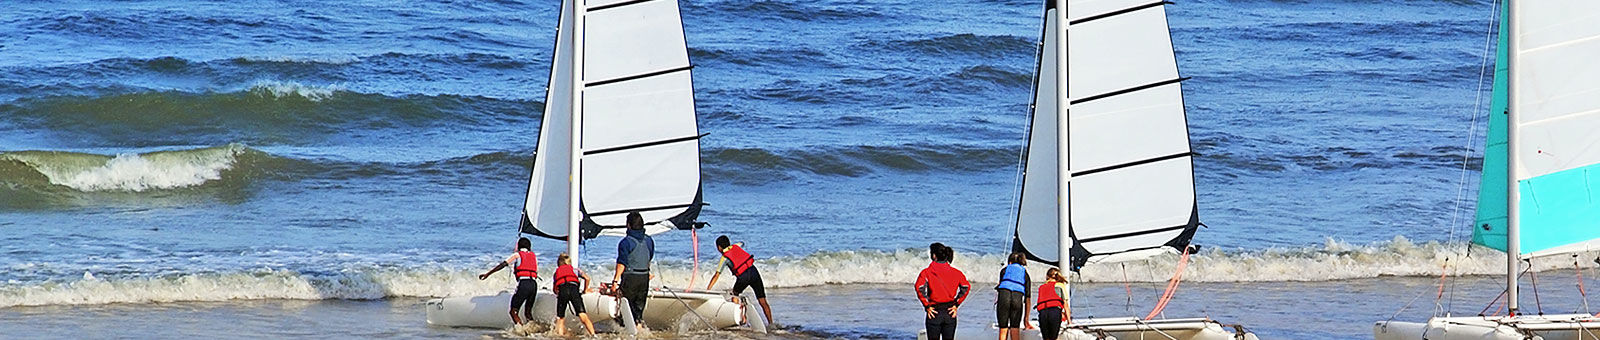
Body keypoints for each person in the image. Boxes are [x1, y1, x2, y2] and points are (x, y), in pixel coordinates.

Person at [706, 235, 774, 326]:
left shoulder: (724, 258)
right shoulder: (736, 246)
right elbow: (742, 243)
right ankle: (771, 323)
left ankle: (740, 319)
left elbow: (716, 275)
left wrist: (708, 289)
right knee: (762, 300)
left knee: (735, 294)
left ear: (719, 247)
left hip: (743, 277)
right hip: (754, 272)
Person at [477, 237, 540, 325]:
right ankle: (534, 329)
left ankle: (522, 331)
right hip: (533, 285)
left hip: (524, 284)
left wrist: (487, 274)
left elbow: (503, 264)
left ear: (518, 246)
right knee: (528, 313)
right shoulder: (533, 256)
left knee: (513, 311)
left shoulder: (517, 255)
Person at [915, 243, 970, 340]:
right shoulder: (957, 272)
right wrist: (956, 304)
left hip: (934, 311)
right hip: (950, 312)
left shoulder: (927, 272)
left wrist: (926, 305)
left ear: (934, 256)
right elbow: (966, 287)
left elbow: (919, 287)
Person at [612, 211, 653, 326]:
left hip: (631, 278)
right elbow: (649, 257)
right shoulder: (649, 240)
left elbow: (621, 263)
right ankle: (639, 326)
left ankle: (626, 329)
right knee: (639, 308)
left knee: (627, 307)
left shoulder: (626, 242)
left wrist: (615, 281)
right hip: (644, 277)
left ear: (629, 225)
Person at [552, 253, 596, 336]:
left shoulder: (556, 273)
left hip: (563, 291)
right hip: (574, 290)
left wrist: (559, 294)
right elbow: (587, 278)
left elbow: (555, 290)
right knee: (582, 315)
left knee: (560, 318)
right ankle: (593, 335)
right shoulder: (575, 270)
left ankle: (560, 336)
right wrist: (585, 290)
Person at [995, 252, 1033, 340]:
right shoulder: (1025, 274)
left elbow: (1001, 284)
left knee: (1003, 329)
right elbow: (1028, 298)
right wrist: (1026, 319)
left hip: (1004, 297)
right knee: (1015, 328)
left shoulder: (1004, 270)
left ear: (1010, 262)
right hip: (1017, 298)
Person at [1035, 267, 1070, 340]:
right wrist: (1069, 321)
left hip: (1043, 314)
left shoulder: (1041, 287)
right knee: (1054, 338)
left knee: (1046, 338)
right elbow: (1065, 305)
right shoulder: (1060, 285)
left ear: (1047, 276)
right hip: (1054, 313)